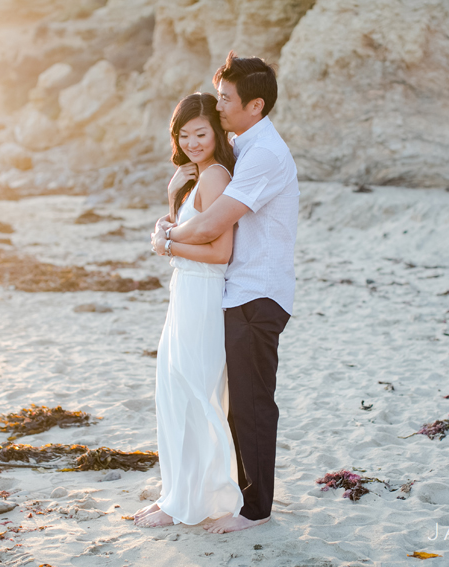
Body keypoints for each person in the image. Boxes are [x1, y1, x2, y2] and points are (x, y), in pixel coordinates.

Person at [151, 51, 299, 534]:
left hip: (258, 293)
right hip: (235, 291)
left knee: (252, 404)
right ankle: (225, 495)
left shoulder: (265, 155)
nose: (219, 107)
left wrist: (167, 239)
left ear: (254, 106)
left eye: (226, 99)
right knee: (231, 402)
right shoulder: (244, 147)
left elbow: (213, 226)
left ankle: (256, 510)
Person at [134, 92, 243, 528]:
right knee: (176, 391)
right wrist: (169, 219)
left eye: (201, 133)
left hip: (203, 293)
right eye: (185, 134)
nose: (194, 141)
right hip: (186, 291)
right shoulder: (196, 175)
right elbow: (188, 231)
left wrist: (167, 243)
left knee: (195, 394)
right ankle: (176, 495)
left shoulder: (215, 175)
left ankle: (191, 502)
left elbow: (220, 252)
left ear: (217, 132)